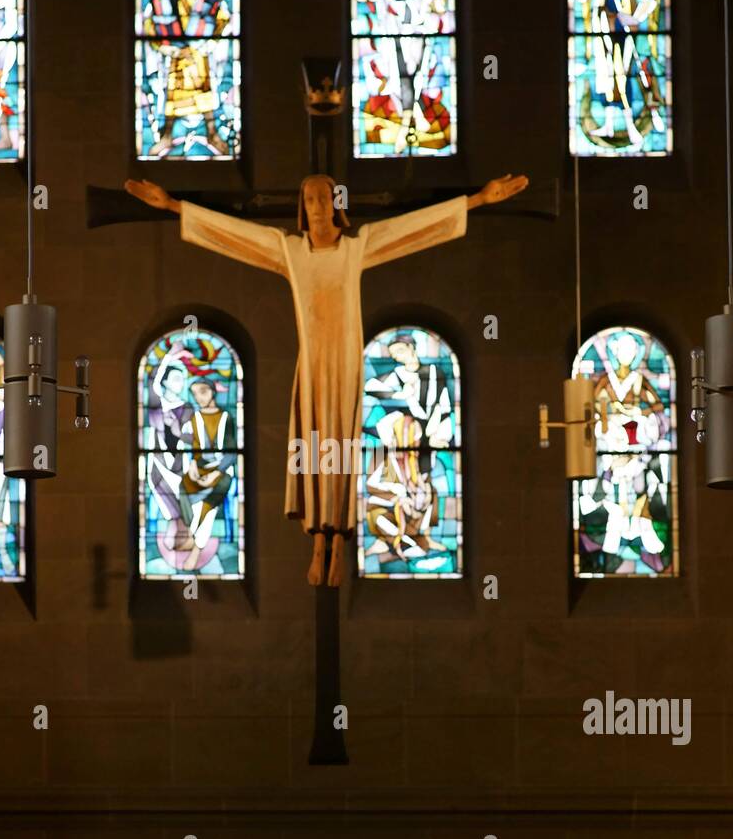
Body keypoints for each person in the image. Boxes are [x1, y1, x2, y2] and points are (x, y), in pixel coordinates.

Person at [126, 170, 528, 585]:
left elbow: (414, 230)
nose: (318, 208)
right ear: (303, 210)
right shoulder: (290, 251)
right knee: (315, 445)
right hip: (315, 365)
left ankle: (339, 535)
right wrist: (173, 206)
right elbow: (237, 236)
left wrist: (478, 200)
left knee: (343, 445)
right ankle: (319, 537)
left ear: (337, 204)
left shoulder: (357, 249)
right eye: (311, 201)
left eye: (324, 199)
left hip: (347, 364)